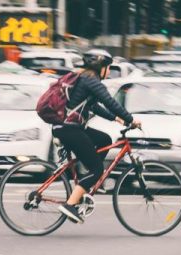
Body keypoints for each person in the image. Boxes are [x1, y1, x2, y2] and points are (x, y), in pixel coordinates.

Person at [53, 49, 141, 224]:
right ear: (100, 66)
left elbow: (94, 106)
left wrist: (116, 118)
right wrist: (130, 119)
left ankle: (87, 181)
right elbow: (110, 101)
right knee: (97, 170)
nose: (108, 72)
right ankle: (71, 204)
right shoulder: (91, 81)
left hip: (66, 127)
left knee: (104, 140)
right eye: (108, 68)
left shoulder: (84, 79)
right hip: (70, 129)